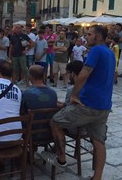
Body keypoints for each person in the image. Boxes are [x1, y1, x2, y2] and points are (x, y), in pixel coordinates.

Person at [47, 25, 116, 180]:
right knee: (99, 141)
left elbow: (84, 74)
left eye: (90, 34)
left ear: (98, 37)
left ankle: (62, 158)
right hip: (103, 106)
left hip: (88, 104)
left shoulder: (96, 50)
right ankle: (97, 177)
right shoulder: (110, 53)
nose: (86, 37)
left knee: (55, 121)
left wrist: (74, 96)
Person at [21, 65, 58, 139]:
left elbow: (21, 112)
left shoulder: (26, 94)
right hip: (49, 132)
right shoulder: (53, 93)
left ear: (30, 77)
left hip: (30, 134)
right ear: (43, 75)